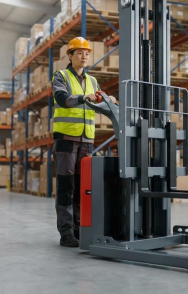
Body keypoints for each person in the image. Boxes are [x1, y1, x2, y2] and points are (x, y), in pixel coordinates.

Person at [51, 37, 116, 247]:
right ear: (69, 56)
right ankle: (66, 232)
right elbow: (62, 99)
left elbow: (97, 100)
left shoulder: (92, 81)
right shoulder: (60, 76)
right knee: (66, 187)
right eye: (79, 52)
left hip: (87, 141)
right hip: (66, 141)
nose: (84, 56)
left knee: (82, 188)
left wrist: (109, 100)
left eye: (86, 53)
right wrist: (83, 98)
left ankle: (79, 229)